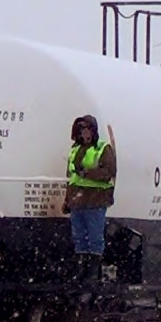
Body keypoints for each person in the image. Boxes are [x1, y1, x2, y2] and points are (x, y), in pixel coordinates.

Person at [63, 114, 116, 283]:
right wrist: (67, 200)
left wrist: (87, 173)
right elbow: (71, 177)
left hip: (96, 200)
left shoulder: (103, 148)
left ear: (93, 131)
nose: (85, 133)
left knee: (94, 236)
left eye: (87, 129)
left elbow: (109, 172)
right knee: (79, 236)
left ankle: (93, 270)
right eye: (82, 130)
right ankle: (82, 268)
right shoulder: (75, 149)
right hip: (77, 200)